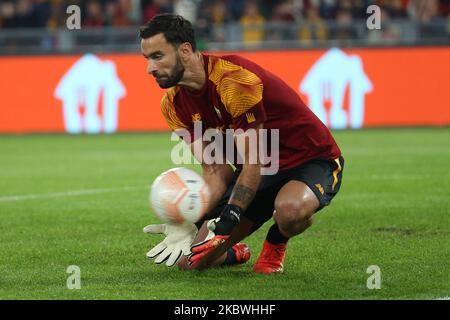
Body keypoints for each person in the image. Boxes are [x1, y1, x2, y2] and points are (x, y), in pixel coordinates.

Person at [140, 13, 344, 274]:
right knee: (189, 262)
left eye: (157, 56)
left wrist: (232, 215)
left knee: (290, 212)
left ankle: (278, 238)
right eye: (147, 58)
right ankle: (234, 253)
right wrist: (190, 219)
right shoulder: (172, 106)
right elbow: (216, 171)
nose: (150, 68)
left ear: (185, 51)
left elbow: (253, 163)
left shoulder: (233, 82)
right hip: (259, 173)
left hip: (309, 158)